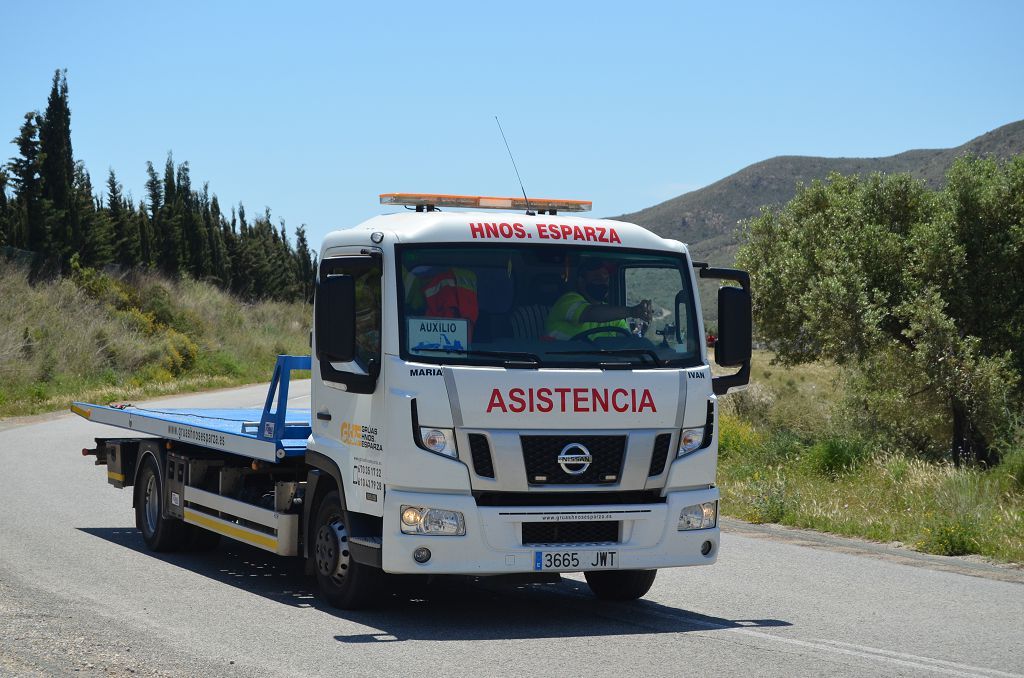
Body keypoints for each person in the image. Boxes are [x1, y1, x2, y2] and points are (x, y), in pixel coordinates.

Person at [545, 259, 652, 340]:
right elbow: (590, 313)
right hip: (558, 364)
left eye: (606, 279)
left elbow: (625, 342)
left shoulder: (615, 315)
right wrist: (632, 311)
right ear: (581, 281)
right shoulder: (568, 301)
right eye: (597, 278)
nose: (603, 283)